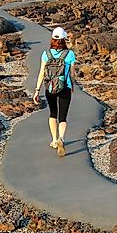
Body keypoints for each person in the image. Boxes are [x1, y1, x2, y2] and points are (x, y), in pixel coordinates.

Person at [32, 26, 77, 157]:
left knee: (53, 113)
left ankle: (53, 140)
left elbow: (41, 73)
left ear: (52, 39)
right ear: (64, 39)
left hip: (50, 87)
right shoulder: (70, 54)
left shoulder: (46, 54)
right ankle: (61, 139)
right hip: (65, 87)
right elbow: (73, 74)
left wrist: (36, 90)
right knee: (63, 116)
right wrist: (72, 85)